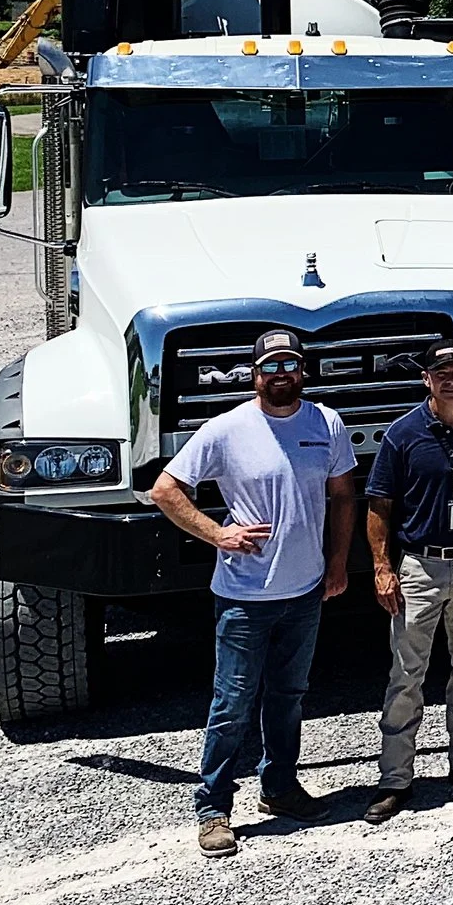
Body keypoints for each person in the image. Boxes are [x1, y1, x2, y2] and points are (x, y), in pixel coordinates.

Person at [147, 329, 357, 859]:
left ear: (301, 371)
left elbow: (342, 495)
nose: (281, 374)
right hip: (244, 599)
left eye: (290, 365)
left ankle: (280, 788)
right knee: (233, 702)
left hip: (305, 590)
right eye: (271, 367)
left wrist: (336, 563)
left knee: (289, 698)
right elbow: (165, 490)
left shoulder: (325, 422)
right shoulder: (226, 429)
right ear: (255, 374)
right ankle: (213, 807)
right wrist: (218, 534)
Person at [363, 338, 453, 824]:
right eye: (442, 372)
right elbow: (379, 506)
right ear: (426, 379)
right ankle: (394, 778)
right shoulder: (402, 434)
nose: (452, 379)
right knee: (407, 674)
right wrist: (383, 568)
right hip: (419, 568)